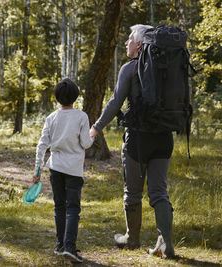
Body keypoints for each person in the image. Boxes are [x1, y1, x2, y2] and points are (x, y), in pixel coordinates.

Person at [89, 24, 176, 259]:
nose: (126, 42)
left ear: (139, 44)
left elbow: (116, 102)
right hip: (164, 138)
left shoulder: (129, 68)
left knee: (133, 191)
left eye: (130, 39)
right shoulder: (167, 69)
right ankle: (166, 244)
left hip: (138, 139)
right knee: (159, 192)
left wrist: (96, 127)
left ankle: (132, 238)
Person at [33, 78, 94, 263]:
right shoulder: (81, 116)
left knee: (59, 206)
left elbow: (42, 145)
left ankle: (60, 245)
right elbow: (85, 144)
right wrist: (93, 133)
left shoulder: (51, 118)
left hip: (56, 168)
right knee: (73, 208)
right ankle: (69, 247)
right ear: (75, 96)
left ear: (57, 97)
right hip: (74, 170)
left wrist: (37, 169)